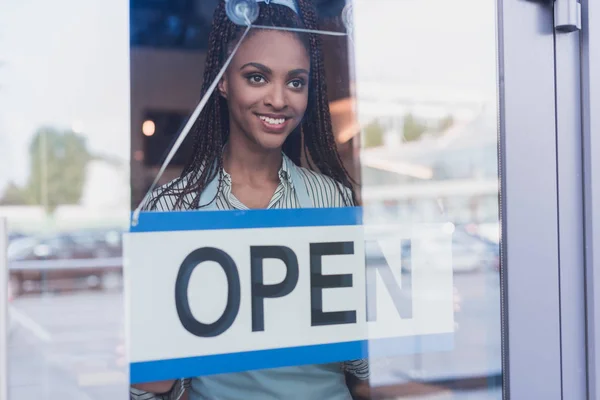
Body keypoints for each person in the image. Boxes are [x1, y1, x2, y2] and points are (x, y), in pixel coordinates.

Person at [131, 0, 368, 398]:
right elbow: (151, 388)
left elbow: (360, 362)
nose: (279, 99)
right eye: (257, 78)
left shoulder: (333, 198)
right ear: (224, 82)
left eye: (296, 82)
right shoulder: (172, 208)